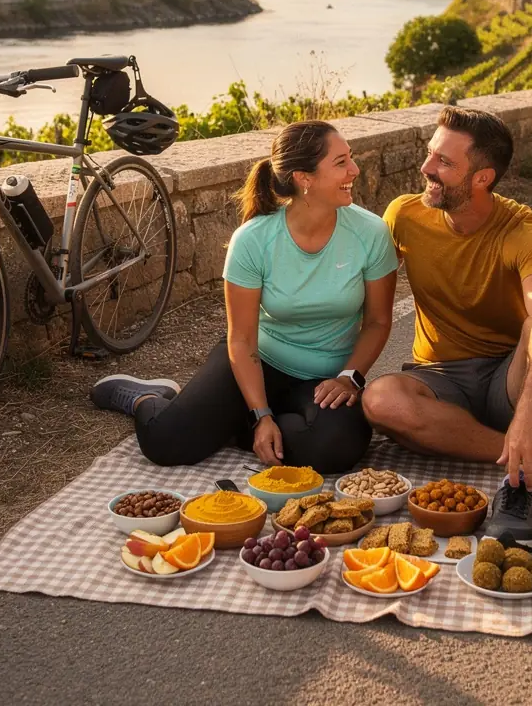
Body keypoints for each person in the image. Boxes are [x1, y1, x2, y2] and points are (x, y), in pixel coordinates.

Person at [361, 106, 532, 541]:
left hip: (510, 376)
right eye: (430, 153)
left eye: (444, 162)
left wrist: (528, 410)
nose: (425, 168)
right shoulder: (404, 216)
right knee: (379, 400)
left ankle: (520, 484)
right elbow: (363, 297)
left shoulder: (524, 231)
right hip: (439, 377)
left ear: (482, 178)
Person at [90, 120, 399, 474]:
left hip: (326, 381)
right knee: (166, 441)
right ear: (304, 178)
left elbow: (377, 321)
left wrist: (350, 377)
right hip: (258, 362)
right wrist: (261, 413)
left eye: (351, 158)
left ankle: (239, 427)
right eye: (341, 162)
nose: (355, 170)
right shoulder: (253, 239)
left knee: (338, 448)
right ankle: (146, 397)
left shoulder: (370, 233)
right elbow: (241, 337)